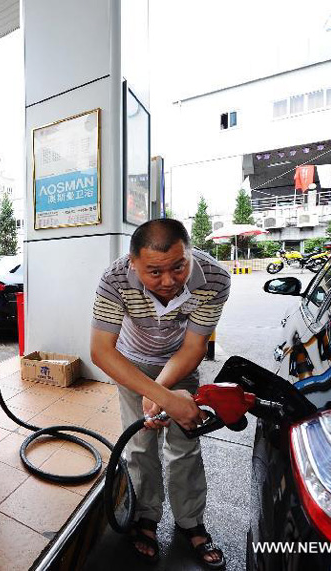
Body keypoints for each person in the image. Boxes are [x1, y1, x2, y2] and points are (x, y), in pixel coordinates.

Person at [90, 218, 230, 569]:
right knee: (139, 445)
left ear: (189, 254)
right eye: (154, 272)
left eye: (178, 267)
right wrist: (157, 396)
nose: (168, 281)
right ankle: (147, 517)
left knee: (184, 444)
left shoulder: (214, 278)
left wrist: (165, 391)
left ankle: (190, 521)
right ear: (132, 262)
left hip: (179, 363)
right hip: (131, 364)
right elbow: (102, 352)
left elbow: (195, 345)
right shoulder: (114, 279)